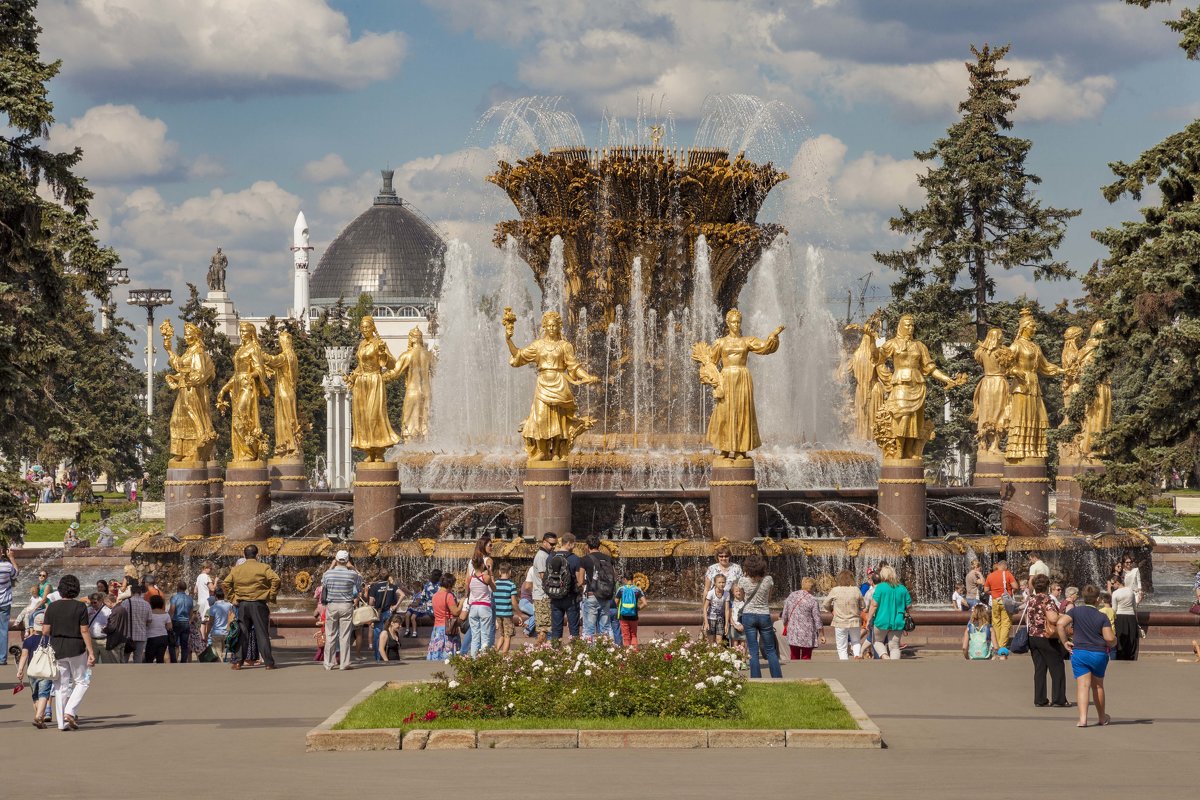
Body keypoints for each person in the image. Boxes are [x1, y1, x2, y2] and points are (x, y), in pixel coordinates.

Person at [40, 575, 96, 730]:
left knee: (60, 685)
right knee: (82, 680)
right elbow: (84, 630)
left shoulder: (52, 606)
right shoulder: (80, 607)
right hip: (76, 647)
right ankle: (70, 711)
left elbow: (45, 630)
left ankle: (61, 723)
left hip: (57, 648)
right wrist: (91, 652)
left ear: (60, 589)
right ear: (76, 589)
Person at [1057, 585, 1117, 727]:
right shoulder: (1102, 616)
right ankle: (1102, 718)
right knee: (1098, 687)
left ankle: (1083, 719)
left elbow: (1060, 624)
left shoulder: (1075, 612)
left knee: (1083, 686)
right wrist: (1114, 642)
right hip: (1098, 653)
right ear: (1098, 599)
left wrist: (1065, 642)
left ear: (1084, 598)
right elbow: (1109, 638)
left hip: (1080, 653)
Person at [222, 544, 281, 670]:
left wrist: (233, 598)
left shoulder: (237, 569)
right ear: (257, 555)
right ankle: (269, 663)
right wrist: (270, 595)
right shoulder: (263, 567)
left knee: (242, 633)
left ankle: (238, 662)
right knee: (262, 633)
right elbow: (276, 580)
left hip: (242, 604)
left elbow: (226, 583)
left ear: (244, 555)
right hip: (259, 604)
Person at [1026, 574, 1069, 707]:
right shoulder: (1047, 600)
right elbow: (1053, 618)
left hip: (1032, 637)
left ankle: (1040, 699)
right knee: (1057, 667)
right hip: (1046, 637)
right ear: (1048, 586)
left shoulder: (1032, 600)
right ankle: (1058, 699)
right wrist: (1063, 616)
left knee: (1040, 668)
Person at [738, 555, 781, 678]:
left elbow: (741, 598)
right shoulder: (768, 579)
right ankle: (777, 678)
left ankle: (756, 678)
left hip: (748, 615)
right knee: (770, 650)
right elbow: (769, 598)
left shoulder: (743, 580)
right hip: (764, 615)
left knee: (753, 649)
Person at [321, 550, 362, 671]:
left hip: (332, 605)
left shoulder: (328, 574)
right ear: (347, 560)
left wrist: (332, 566)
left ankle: (328, 663)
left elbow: (323, 585)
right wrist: (353, 567)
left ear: (336, 559)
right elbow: (360, 583)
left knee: (330, 635)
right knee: (344, 636)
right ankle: (344, 664)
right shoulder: (352, 574)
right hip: (346, 605)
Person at [15, 617, 54, 728]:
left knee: (35, 694)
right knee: (44, 693)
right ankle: (39, 716)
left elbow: (24, 656)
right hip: (46, 670)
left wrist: (20, 670)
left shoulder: (28, 640)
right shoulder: (51, 639)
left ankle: (38, 715)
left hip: (32, 671)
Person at [866, 565, 912, 660]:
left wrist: (868, 620)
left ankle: (885, 657)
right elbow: (909, 606)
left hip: (881, 621)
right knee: (894, 646)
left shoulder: (880, 587)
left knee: (877, 642)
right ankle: (894, 667)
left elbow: (874, 605)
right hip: (898, 621)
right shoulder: (902, 588)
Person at [546, 532, 583, 643]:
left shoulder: (550, 558)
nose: (575, 547)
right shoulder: (575, 559)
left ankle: (555, 653)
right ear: (569, 544)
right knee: (574, 629)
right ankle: (575, 653)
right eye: (574, 544)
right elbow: (580, 581)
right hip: (571, 598)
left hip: (555, 596)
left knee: (556, 630)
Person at [580, 534, 615, 642]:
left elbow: (580, 580)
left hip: (591, 595)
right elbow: (614, 576)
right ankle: (609, 651)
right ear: (599, 545)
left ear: (587, 546)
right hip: (605, 595)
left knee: (589, 628)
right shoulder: (608, 558)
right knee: (606, 627)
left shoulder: (584, 559)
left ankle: (589, 654)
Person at [822, 570, 865, 660]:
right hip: (854, 620)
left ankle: (844, 662)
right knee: (856, 641)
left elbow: (825, 604)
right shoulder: (856, 589)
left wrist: (831, 610)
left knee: (841, 646)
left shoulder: (835, 590)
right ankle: (857, 655)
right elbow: (863, 606)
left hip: (840, 621)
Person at [782, 577, 824, 660]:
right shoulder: (812, 599)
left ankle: (795, 671)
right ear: (812, 587)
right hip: (807, 632)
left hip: (793, 631)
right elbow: (817, 619)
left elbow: (784, 614)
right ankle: (805, 672)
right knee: (806, 656)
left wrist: (785, 624)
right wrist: (822, 635)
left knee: (794, 656)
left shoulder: (792, 595)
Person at [983, 559, 1018, 655]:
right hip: (1005, 601)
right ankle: (1002, 646)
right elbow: (1015, 586)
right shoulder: (1007, 574)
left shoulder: (990, 575)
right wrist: (1010, 592)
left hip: (995, 601)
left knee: (996, 622)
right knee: (1006, 623)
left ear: (998, 566)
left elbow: (986, 590)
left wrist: (993, 592)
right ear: (1005, 566)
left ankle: (996, 644)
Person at [366, 572, 405, 661]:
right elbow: (403, 595)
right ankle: (389, 655)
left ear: (379, 577)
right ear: (388, 577)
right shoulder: (392, 586)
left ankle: (378, 659)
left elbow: (371, 603)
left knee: (378, 637)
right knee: (389, 634)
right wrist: (396, 606)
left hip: (378, 614)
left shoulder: (374, 587)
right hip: (389, 614)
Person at [464, 549, 495, 657]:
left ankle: (473, 659)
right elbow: (494, 589)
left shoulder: (470, 578)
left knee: (475, 635)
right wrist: (490, 573)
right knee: (485, 635)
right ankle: (484, 659)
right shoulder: (485, 577)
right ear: (482, 565)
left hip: (473, 608)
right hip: (484, 607)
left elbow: (468, 591)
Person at [426, 573, 462, 661]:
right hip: (448, 628)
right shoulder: (449, 596)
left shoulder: (435, 596)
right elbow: (456, 612)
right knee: (448, 654)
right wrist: (461, 603)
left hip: (437, 628)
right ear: (450, 584)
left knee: (437, 652)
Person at [531, 532, 557, 644]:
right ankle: (538, 651)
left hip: (544, 596)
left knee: (545, 628)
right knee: (543, 629)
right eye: (551, 544)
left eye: (554, 544)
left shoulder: (547, 555)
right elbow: (543, 577)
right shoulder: (541, 556)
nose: (553, 546)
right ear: (544, 542)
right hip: (542, 597)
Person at [403, 569, 440, 638]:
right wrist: (402, 587)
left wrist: (410, 604)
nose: (413, 589)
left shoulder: (420, 594)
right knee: (407, 615)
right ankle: (407, 630)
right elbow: (409, 592)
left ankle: (414, 632)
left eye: (414, 588)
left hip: (419, 609)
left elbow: (417, 604)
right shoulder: (416, 593)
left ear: (419, 588)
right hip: (414, 608)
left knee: (413, 617)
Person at [1111, 575, 1140, 661]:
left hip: (1120, 617)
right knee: (1131, 639)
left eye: (1113, 583)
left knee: (1121, 638)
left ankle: (1120, 657)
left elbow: (1114, 609)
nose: (1112, 585)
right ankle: (1130, 657)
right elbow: (1135, 607)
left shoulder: (1115, 593)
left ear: (1117, 582)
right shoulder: (1130, 591)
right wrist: (1136, 620)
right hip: (1131, 617)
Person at [493, 563, 520, 653]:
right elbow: (514, 602)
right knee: (508, 636)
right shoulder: (511, 585)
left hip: (497, 614)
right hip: (507, 614)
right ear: (510, 572)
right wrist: (519, 613)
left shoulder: (495, 584)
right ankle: (505, 657)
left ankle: (495, 652)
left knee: (502, 635)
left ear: (500, 572)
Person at [615, 574, 646, 649]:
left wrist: (621, 607)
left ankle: (627, 654)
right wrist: (637, 608)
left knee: (626, 636)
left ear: (625, 579)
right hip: (634, 615)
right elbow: (645, 603)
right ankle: (634, 653)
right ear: (632, 579)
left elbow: (616, 602)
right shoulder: (637, 589)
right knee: (633, 635)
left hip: (623, 616)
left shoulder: (621, 589)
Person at [168, 580, 194, 663]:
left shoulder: (175, 598)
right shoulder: (190, 598)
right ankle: (183, 661)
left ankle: (174, 661)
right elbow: (191, 612)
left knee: (172, 643)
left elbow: (172, 611)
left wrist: (169, 622)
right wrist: (189, 621)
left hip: (176, 621)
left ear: (178, 588)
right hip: (186, 622)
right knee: (184, 644)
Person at [204, 588, 234, 661]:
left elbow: (210, 622)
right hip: (227, 632)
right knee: (221, 652)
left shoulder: (213, 607)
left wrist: (206, 634)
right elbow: (232, 618)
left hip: (216, 633)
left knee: (218, 654)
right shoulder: (229, 605)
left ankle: (220, 668)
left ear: (215, 597)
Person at [0, 543, 17, 665]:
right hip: (4, 602)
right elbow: (16, 574)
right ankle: (2, 658)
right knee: (3, 630)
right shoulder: (7, 566)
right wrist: (11, 557)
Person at [703, 573, 731, 645]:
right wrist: (706, 623)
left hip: (720, 619)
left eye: (723, 582)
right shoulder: (711, 593)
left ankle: (718, 655)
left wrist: (726, 624)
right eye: (719, 582)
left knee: (719, 641)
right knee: (711, 641)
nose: (721, 584)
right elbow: (705, 608)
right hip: (710, 619)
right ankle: (711, 655)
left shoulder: (726, 594)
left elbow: (727, 610)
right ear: (715, 583)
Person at [87, 592, 114, 664]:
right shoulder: (88, 610)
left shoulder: (108, 611)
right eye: (91, 603)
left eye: (95, 603)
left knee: (106, 662)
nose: (93, 605)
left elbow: (112, 624)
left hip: (104, 640)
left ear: (100, 601)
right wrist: (87, 616)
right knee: (92, 663)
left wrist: (106, 628)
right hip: (92, 640)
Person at [144, 594, 172, 663]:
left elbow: (145, 624)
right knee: (160, 658)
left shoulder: (149, 613)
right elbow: (170, 627)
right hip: (163, 637)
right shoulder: (166, 614)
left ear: (151, 603)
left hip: (151, 638)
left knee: (149, 659)